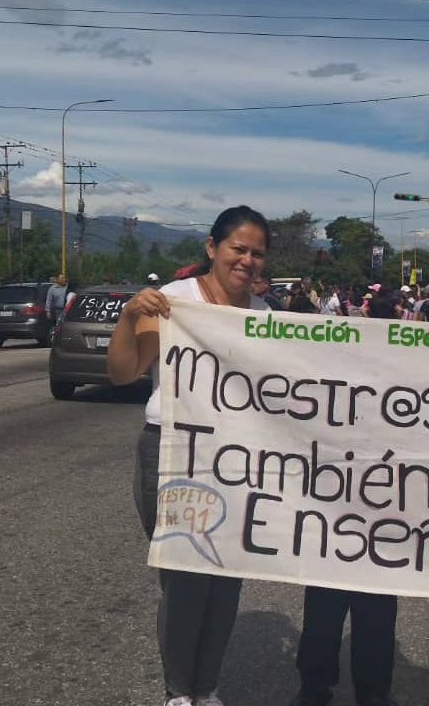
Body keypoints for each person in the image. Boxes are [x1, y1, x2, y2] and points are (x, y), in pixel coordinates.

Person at [107, 205, 271, 706]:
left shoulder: (263, 318)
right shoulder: (172, 303)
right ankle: (179, 691)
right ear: (212, 248)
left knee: (226, 578)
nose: (247, 261)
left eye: (257, 253)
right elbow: (123, 374)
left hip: (236, 458)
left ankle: (207, 687)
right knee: (185, 578)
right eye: (238, 249)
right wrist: (130, 315)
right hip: (174, 452)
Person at [290, 286, 399, 706]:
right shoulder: (324, 391)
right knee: (328, 605)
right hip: (333, 512)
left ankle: (359, 689)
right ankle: (321, 685)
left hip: (378, 513)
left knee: (362, 607)